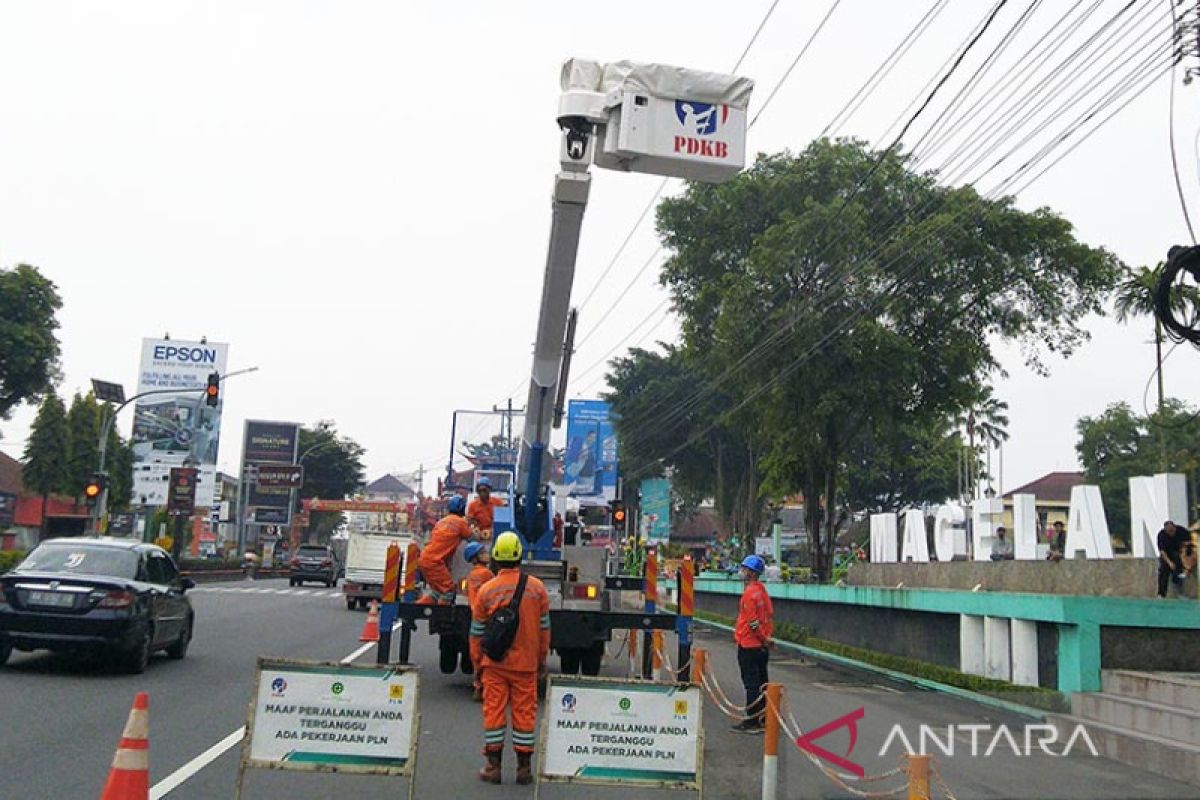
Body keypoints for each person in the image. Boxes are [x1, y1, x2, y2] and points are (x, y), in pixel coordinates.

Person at [469, 532, 550, 785]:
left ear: (494, 557)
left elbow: (476, 635)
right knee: (525, 714)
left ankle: (493, 768)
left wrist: (477, 667)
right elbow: (544, 631)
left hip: (495, 665)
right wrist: (540, 661)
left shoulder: (486, 591)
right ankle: (524, 768)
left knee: (493, 712)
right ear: (519, 555)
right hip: (525, 665)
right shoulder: (537, 589)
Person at [732, 554, 773, 734]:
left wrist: (762, 637)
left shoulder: (749, 594)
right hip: (761, 647)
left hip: (749, 644)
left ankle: (752, 721)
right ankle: (764, 718)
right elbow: (769, 614)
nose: (741, 572)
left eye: (744, 569)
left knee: (751, 685)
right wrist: (766, 640)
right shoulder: (762, 591)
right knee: (763, 682)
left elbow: (753, 622)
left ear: (751, 572)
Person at [416, 494, 473, 605]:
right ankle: (440, 618)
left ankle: (414, 611)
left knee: (436, 593)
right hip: (435, 562)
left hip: (425, 559)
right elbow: (473, 539)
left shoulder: (441, 522)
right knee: (448, 591)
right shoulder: (460, 523)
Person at [464, 541, 494, 702]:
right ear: (476, 557)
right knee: (488, 655)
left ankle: (478, 686)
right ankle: (487, 686)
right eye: (483, 552)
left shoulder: (472, 575)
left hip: (476, 619)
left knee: (476, 655)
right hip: (487, 619)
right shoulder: (486, 574)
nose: (486, 554)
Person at [1157, 520, 1190, 598]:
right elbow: (1162, 551)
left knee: (1178, 572)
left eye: (1172, 530)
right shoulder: (1161, 535)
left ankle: (1180, 593)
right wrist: (1169, 563)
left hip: (1180, 553)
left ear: (1175, 527)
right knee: (1163, 571)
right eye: (1169, 531)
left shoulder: (1182, 531)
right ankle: (1161, 594)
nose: (1171, 533)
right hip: (1167, 555)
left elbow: (1189, 542)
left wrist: (1184, 556)